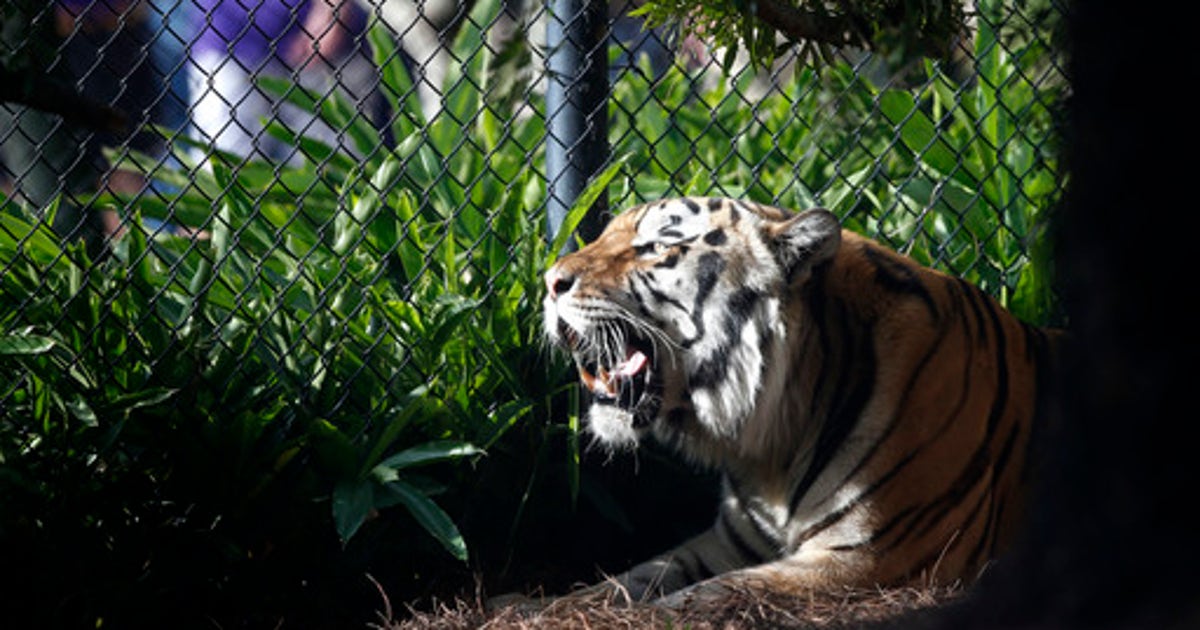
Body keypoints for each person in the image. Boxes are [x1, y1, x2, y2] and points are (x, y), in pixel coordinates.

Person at [187, 0, 389, 164]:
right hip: (231, 35)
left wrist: (335, 6)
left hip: (329, 44)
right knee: (227, 165)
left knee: (334, 171)